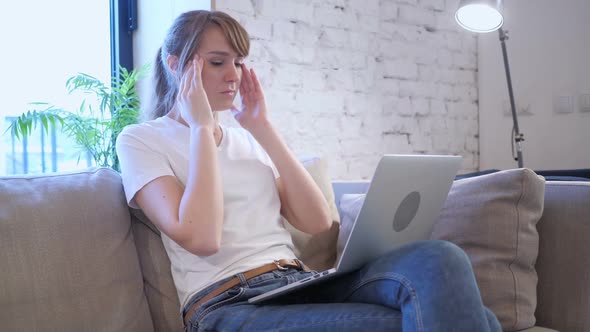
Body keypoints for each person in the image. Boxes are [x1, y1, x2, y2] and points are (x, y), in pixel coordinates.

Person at [116, 10, 501, 332]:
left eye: (238, 62)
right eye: (217, 62)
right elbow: (201, 238)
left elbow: (317, 221)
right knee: (475, 319)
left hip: (295, 283)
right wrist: (200, 128)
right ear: (174, 65)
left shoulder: (247, 141)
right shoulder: (141, 141)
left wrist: (262, 128)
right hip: (228, 305)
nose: (233, 75)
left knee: (441, 258)